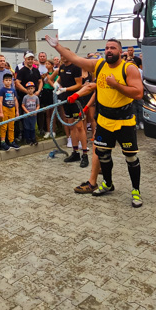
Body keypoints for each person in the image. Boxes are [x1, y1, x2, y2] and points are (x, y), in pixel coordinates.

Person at [48, 36, 145, 208]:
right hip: (105, 120)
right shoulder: (99, 65)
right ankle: (107, 183)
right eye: (107, 47)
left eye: (113, 48)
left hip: (124, 121)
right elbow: (75, 59)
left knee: (130, 157)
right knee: (103, 154)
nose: (109, 50)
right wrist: (57, 47)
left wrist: (116, 85)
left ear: (120, 52)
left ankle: (135, 190)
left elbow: (138, 93)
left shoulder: (129, 69)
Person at [56, 56, 87, 166]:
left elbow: (79, 84)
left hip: (76, 100)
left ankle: (85, 154)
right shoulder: (62, 67)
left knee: (79, 127)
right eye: (61, 56)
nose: (63, 58)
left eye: (64, 55)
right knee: (71, 126)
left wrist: (66, 89)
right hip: (66, 100)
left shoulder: (76, 67)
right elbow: (59, 80)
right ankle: (75, 153)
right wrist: (56, 85)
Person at [0, 72, 20, 151]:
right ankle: (3, 142)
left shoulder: (13, 90)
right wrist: (1, 112)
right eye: (6, 80)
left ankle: (11, 140)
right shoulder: (2, 90)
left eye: (9, 80)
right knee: (4, 126)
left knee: (11, 126)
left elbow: (16, 100)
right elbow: (0, 101)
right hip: (5, 108)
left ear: (12, 81)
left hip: (12, 109)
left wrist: (17, 111)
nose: (8, 82)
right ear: (3, 81)